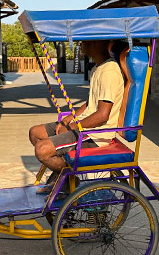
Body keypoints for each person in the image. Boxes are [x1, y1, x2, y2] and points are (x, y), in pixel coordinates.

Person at [29, 40, 124, 194]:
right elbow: (90, 103)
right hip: (85, 126)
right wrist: (71, 117)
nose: (81, 46)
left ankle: (68, 179)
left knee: (42, 150)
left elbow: (102, 115)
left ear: (94, 44)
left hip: (95, 134)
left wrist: (72, 127)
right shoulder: (98, 68)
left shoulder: (109, 72)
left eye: (83, 43)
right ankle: (63, 175)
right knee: (35, 132)